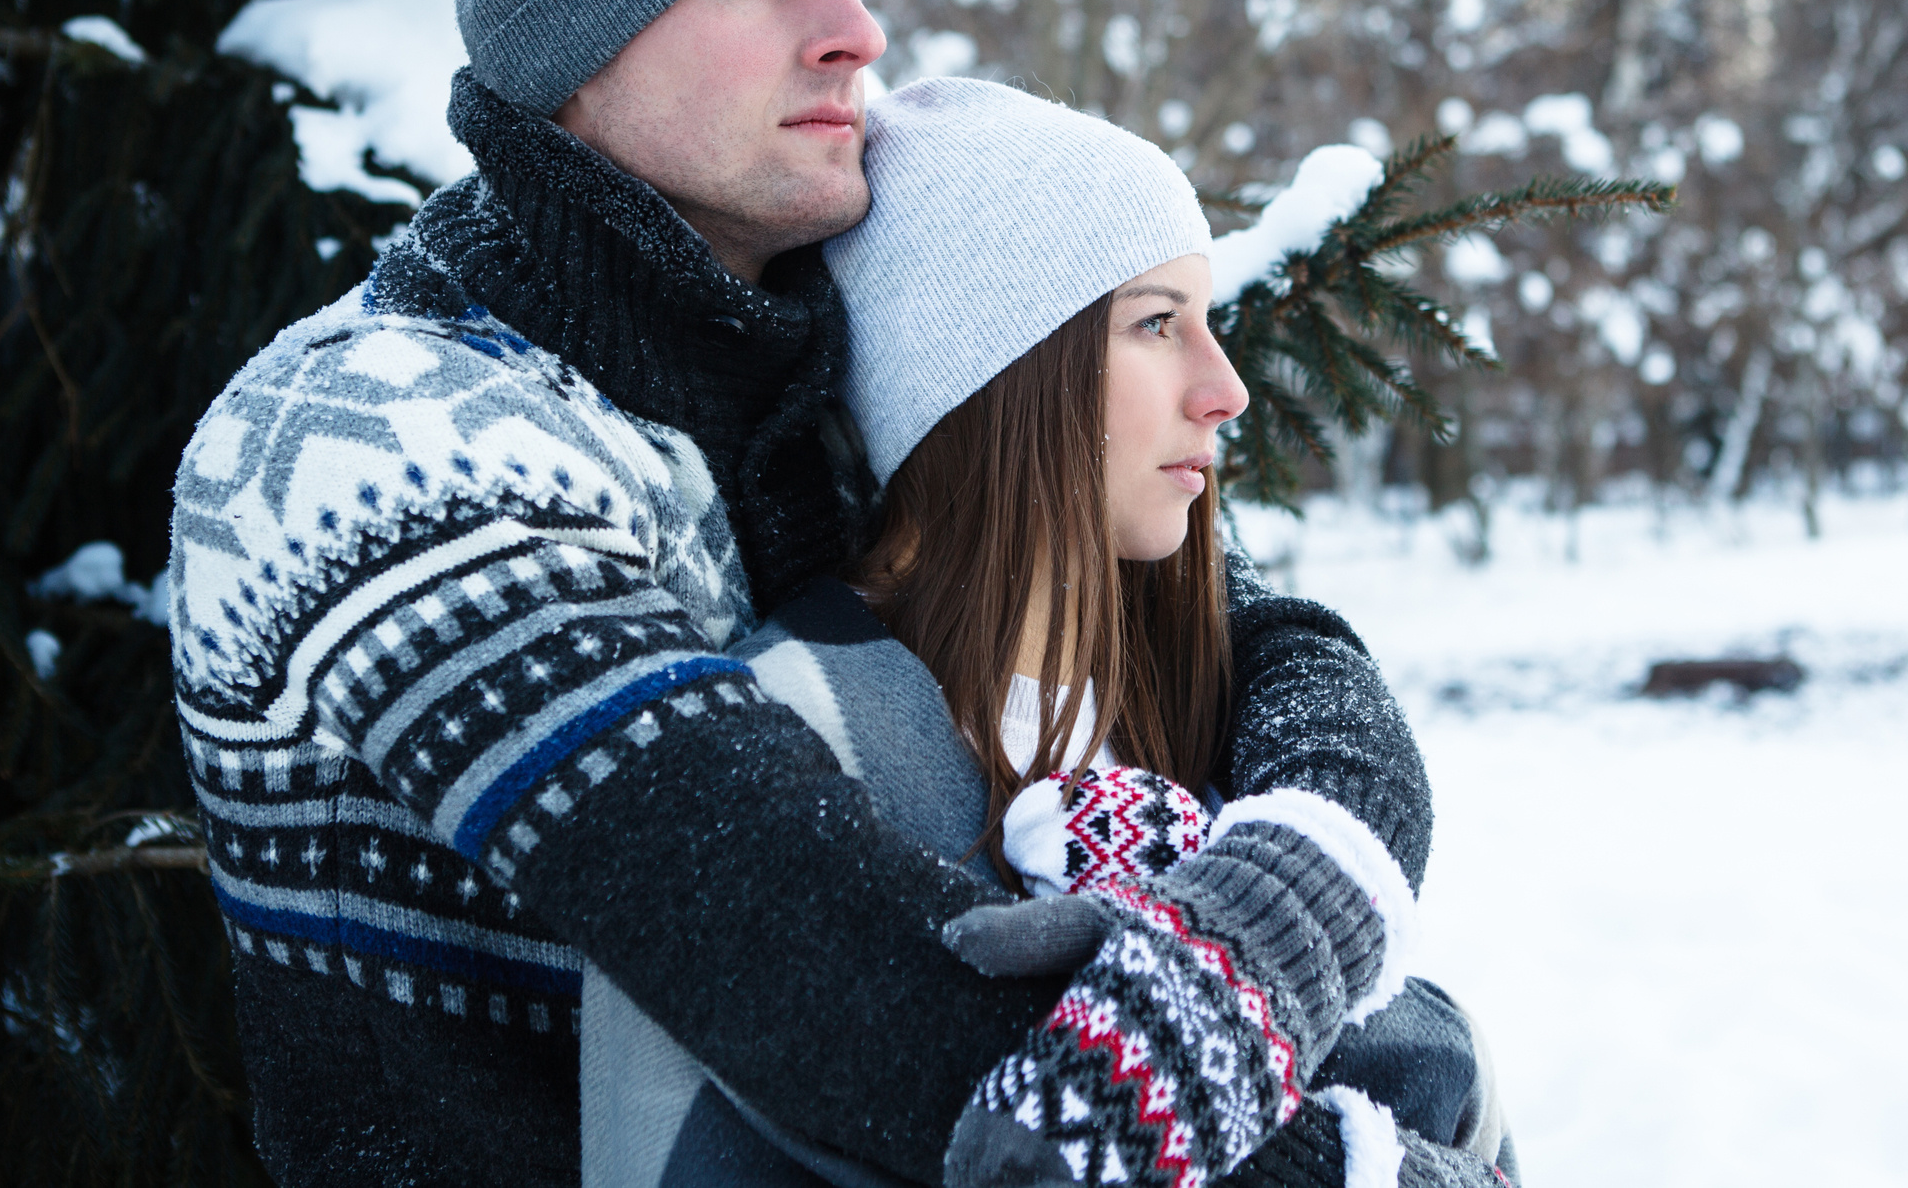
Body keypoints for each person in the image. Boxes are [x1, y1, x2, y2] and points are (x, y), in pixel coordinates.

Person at [166, 0, 1433, 1188]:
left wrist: (1298, 886)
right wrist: (1378, 1168)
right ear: (572, 43)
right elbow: (849, 991)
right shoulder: (368, 436)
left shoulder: (813, 373)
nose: (854, 30)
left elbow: (1259, 640)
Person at [579, 79, 1517, 1188]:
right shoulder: (790, 732)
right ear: (993, 377)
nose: (1225, 391)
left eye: (1207, 322)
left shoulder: (1194, 704)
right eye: (1156, 324)